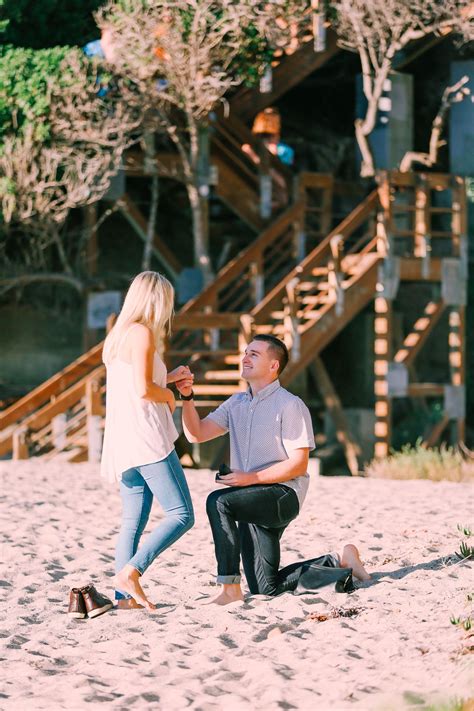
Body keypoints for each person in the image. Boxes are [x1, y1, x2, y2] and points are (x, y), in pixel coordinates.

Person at [176, 334, 370, 605]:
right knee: (266, 587)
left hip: (282, 495)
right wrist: (187, 397)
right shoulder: (236, 403)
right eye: (245, 352)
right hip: (250, 498)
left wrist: (249, 478)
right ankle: (339, 563)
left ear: (273, 365)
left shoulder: (290, 405)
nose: (245, 357)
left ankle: (229, 588)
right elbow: (196, 433)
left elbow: (298, 464)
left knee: (218, 503)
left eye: (254, 354)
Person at [101, 271, 195, 611]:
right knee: (182, 514)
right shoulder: (142, 333)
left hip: (123, 440)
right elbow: (143, 390)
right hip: (147, 437)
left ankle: (124, 599)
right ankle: (132, 572)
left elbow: (134, 382)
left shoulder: (120, 334)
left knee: (132, 522)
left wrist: (169, 377)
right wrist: (169, 395)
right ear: (155, 300)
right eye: (167, 301)